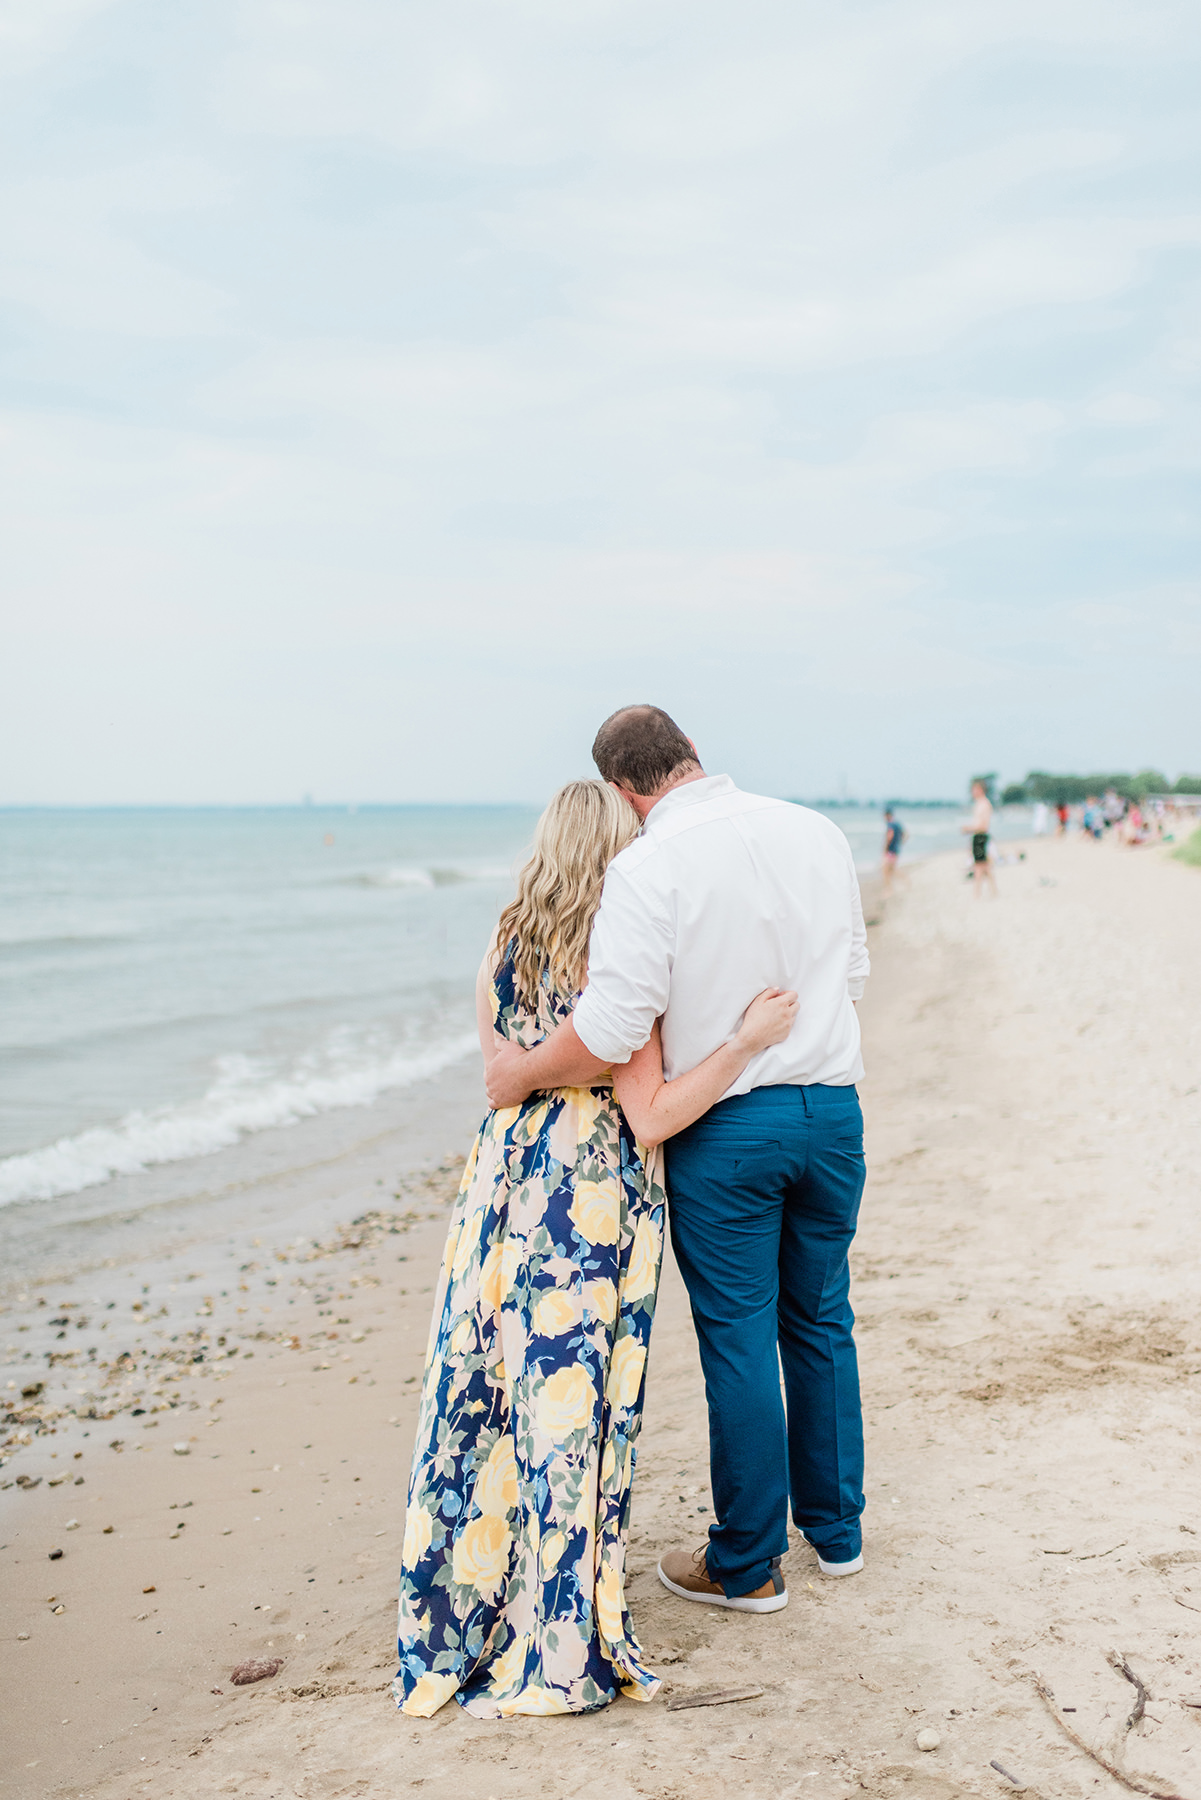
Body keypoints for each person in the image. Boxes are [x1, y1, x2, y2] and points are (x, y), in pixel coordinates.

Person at [395, 779, 798, 1719]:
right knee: (574, 1414)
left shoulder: (505, 936)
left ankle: (468, 1616)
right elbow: (651, 1110)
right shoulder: (620, 956)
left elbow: (497, 1078)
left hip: (500, 1184)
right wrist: (741, 1044)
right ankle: (563, 1645)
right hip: (587, 1199)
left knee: (486, 1394)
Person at [486, 707, 870, 1616]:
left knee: (738, 1336)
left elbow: (615, 1028)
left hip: (728, 1127)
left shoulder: (646, 865)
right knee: (821, 1318)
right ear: (693, 755)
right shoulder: (815, 830)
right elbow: (849, 974)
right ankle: (838, 1532)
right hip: (833, 1112)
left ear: (624, 790)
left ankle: (747, 1565)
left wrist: (520, 1073)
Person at [962, 780, 997, 897]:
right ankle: (992, 891)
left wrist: (968, 829)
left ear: (980, 790)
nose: (972, 792)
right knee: (984, 866)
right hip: (978, 835)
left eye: (974, 790)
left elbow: (984, 825)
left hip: (980, 836)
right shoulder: (979, 804)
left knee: (979, 866)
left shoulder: (984, 804)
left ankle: (977, 893)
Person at [882, 806, 905, 893]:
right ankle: (905, 882)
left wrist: (885, 848)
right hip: (896, 850)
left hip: (890, 851)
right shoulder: (897, 824)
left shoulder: (890, 825)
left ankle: (889, 889)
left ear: (887, 816)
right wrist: (900, 843)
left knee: (886, 871)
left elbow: (889, 837)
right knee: (892, 869)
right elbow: (905, 834)